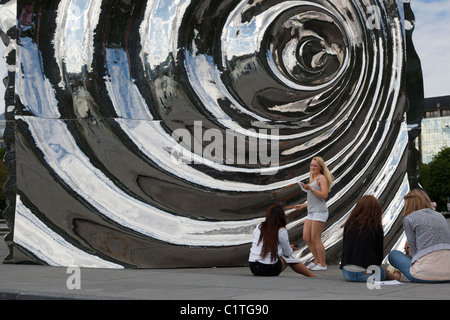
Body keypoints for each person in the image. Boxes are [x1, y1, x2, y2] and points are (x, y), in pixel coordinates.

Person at [388, 189, 450, 283]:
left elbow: (413, 252)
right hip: (448, 274)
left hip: (424, 276)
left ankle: (396, 275)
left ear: (409, 205)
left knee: (393, 254)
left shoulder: (409, 219)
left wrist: (408, 250)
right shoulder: (440, 216)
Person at [340, 195, 400, 282]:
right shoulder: (375, 226)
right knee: (384, 272)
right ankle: (396, 277)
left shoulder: (349, 223)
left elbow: (345, 246)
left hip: (348, 274)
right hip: (369, 274)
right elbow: (379, 254)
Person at [249, 204, 316, 277]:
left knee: (280, 255)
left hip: (254, 267)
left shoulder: (259, 227)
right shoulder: (281, 230)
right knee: (289, 257)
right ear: (282, 216)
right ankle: (311, 275)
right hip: (269, 268)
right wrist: (291, 248)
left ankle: (311, 275)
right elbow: (287, 252)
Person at [295, 156, 333, 271]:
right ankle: (316, 261)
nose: (313, 167)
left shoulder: (321, 178)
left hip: (320, 212)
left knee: (315, 238)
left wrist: (310, 189)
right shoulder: (312, 178)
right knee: (307, 237)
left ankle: (322, 264)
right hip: (311, 211)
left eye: (315, 165)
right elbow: (314, 198)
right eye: (312, 165)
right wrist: (303, 205)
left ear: (321, 167)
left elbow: (324, 196)